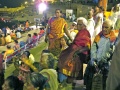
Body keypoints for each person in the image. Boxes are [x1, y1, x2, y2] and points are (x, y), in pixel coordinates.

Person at [84, 19, 119, 90]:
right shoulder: (98, 36)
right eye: (103, 27)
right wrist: (93, 60)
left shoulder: (114, 39)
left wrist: (107, 63)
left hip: (107, 67)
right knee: (91, 85)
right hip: (94, 65)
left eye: (106, 27)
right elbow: (93, 49)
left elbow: (114, 53)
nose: (104, 29)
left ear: (111, 28)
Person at [58, 17, 91, 84]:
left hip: (82, 53)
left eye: (79, 24)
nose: (77, 25)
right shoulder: (80, 32)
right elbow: (76, 43)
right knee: (63, 55)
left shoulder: (85, 33)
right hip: (75, 50)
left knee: (67, 60)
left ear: (84, 26)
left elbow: (88, 47)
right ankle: (67, 77)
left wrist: (77, 52)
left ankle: (71, 78)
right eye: (77, 24)